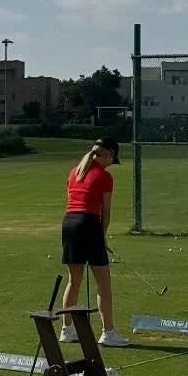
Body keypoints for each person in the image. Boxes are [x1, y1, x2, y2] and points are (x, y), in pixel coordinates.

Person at [60, 138, 129, 346]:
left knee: (74, 281)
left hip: (69, 223)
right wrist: (102, 235)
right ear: (107, 154)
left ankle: (67, 330)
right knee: (104, 282)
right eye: (112, 159)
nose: (111, 164)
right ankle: (108, 333)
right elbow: (105, 212)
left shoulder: (75, 171)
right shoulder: (104, 176)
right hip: (88, 223)